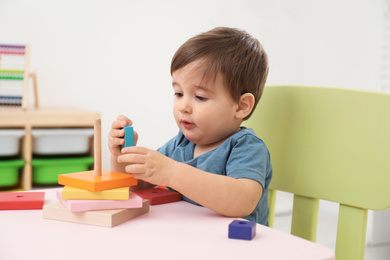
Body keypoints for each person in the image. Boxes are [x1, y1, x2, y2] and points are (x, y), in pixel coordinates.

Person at [108, 27, 272, 225]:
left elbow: (243, 201)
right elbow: (137, 188)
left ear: (241, 106)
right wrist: (121, 157)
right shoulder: (180, 144)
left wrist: (172, 173)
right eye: (178, 93)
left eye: (200, 97)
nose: (183, 106)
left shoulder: (246, 147)